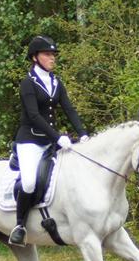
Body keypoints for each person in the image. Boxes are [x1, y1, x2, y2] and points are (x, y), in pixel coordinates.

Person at [9, 35, 89, 245]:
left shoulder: (55, 82)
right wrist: (58, 137)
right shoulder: (28, 83)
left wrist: (83, 134)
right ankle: (20, 225)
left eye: (53, 54)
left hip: (52, 142)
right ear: (35, 57)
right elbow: (34, 116)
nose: (52, 58)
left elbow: (69, 109)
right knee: (29, 182)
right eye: (47, 54)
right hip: (30, 141)